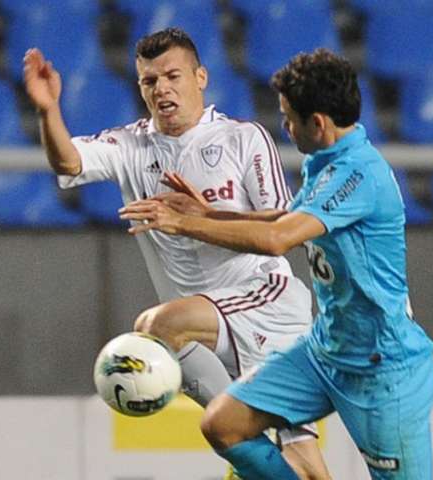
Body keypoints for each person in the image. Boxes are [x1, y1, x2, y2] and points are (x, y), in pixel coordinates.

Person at [23, 28, 330, 479]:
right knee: (305, 466)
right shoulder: (131, 146)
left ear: (200, 77)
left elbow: (282, 224)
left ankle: (241, 433)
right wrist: (48, 110)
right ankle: (250, 445)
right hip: (205, 332)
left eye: (172, 76)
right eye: (149, 81)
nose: (161, 89)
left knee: (157, 326)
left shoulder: (243, 138)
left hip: (264, 302)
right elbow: (69, 162)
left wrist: (197, 220)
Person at [120, 48, 433, 480]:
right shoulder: (325, 162)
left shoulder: (360, 174)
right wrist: (209, 214)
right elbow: (283, 217)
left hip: (382, 370)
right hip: (325, 352)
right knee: (223, 426)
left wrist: (182, 225)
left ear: (318, 123)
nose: (285, 128)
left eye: (289, 118)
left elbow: (276, 240)